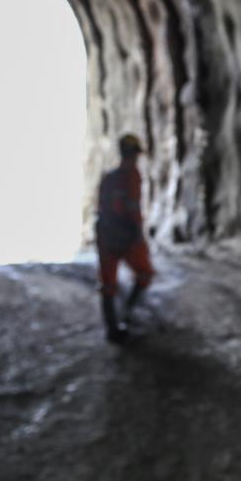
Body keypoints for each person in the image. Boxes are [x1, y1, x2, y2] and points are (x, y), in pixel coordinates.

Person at [95, 133, 154, 343]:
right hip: (126, 235)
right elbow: (134, 209)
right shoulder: (132, 176)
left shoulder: (108, 178)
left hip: (106, 235)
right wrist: (138, 236)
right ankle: (127, 315)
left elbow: (101, 208)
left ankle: (113, 328)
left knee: (108, 283)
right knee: (145, 273)